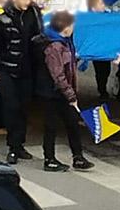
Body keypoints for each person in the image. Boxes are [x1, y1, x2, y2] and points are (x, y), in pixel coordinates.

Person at [0, 0, 43, 164]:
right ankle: (12, 146)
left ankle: (20, 144)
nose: (27, 2)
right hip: (7, 70)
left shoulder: (34, 15)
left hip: (27, 69)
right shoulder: (2, 20)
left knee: (24, 107)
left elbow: (40, 39)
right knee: (11, 107)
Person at [35, 10, 94, 172]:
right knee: (51, 126)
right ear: (66, 27)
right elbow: (58, 74)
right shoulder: (54, 46)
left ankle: (78, 157)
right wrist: (71, 95)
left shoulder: (65, 42)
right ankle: (49, 159)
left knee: (72, 123)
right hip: (52, 92)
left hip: (61, 91)